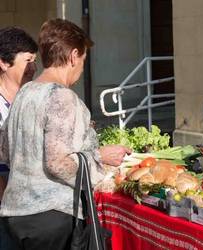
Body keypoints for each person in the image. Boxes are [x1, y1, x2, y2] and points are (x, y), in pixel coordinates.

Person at [0, 18, 131, 250]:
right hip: (50, 217)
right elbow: (57, 163)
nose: (81, 67)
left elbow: (5, 151)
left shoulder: (25, 92)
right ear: (73, 56)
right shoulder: (62, 96)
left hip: (15, 215)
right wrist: (100, 157)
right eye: (83, 60)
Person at [0, 26, 38, 201]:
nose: (34, 67)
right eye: (28, 60)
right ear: (4, 63)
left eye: (35, 61)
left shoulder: (35, 97)